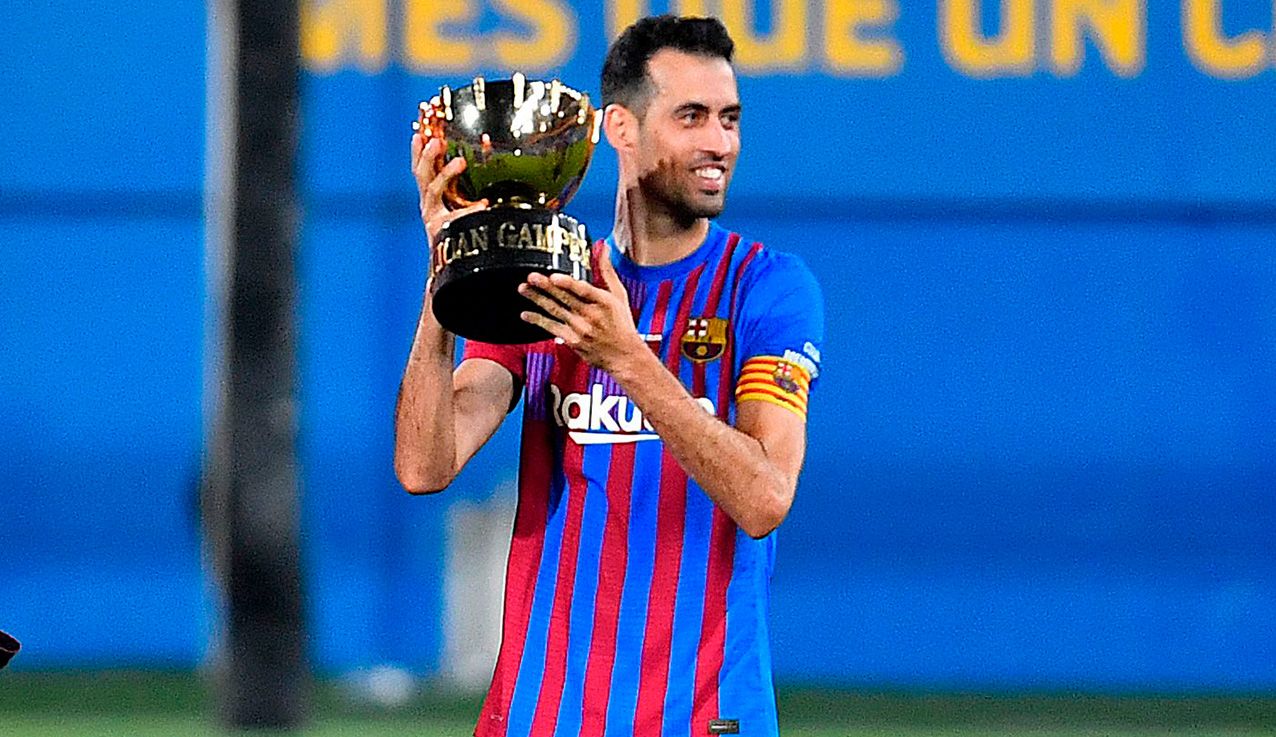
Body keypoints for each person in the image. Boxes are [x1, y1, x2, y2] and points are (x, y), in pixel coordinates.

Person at [396, 14, 823, 737]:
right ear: (619, 128)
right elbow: (425, 462)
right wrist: (451, 268)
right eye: (691, 118)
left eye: (729, 119)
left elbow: (764, 497)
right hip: (543, 712)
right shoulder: (551, 281)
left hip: (703, 716)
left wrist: (627, 357)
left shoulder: (766, 288)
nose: (719, 143)